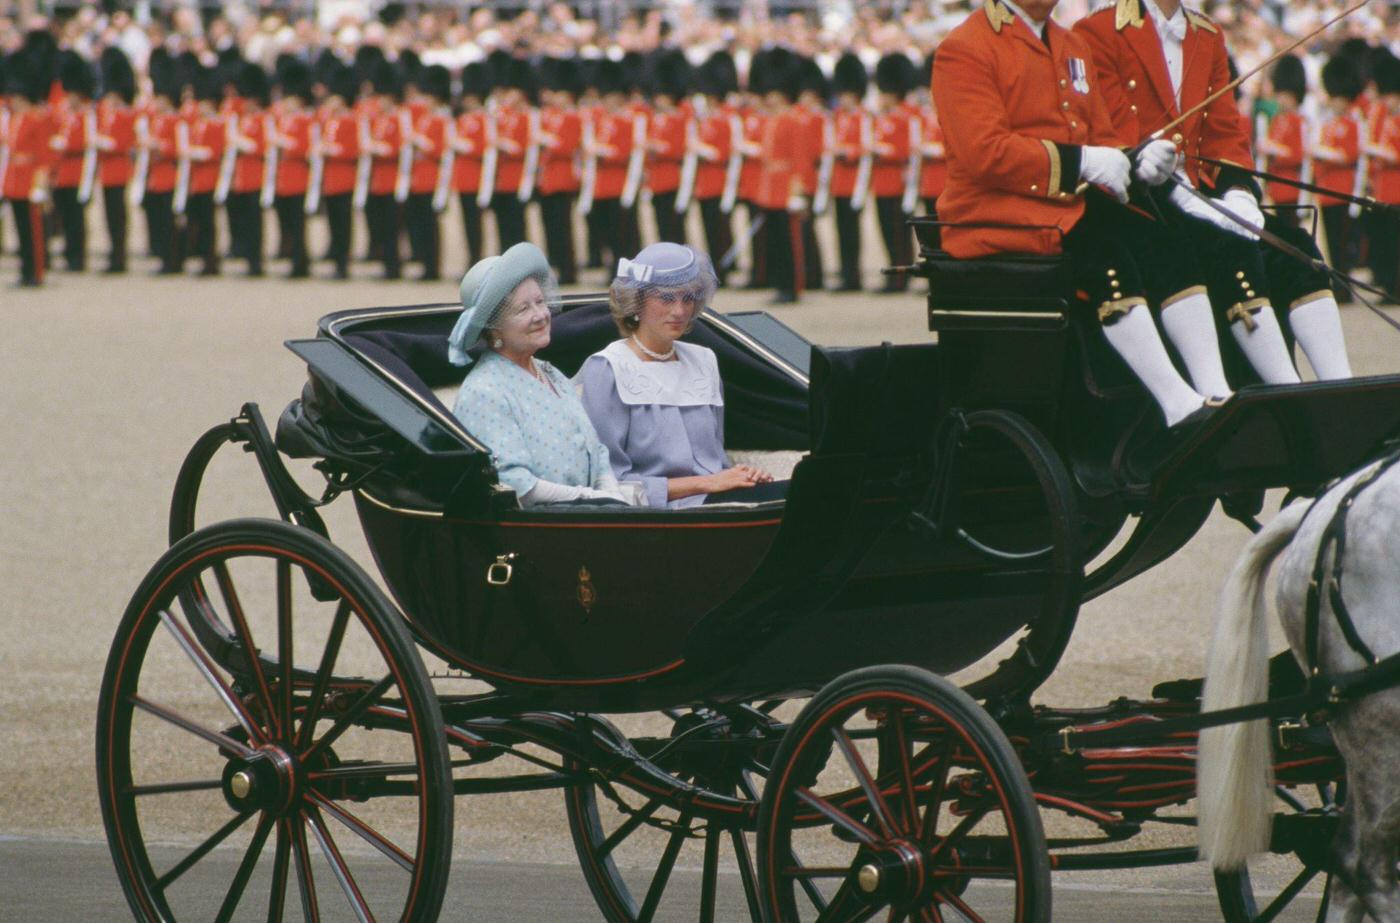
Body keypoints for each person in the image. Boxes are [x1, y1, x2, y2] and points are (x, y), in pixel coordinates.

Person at [933, 0, 1219, 429]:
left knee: (1165, 237)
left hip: (1068, 202)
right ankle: (1177, 402)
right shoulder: (965, 48)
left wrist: (1136, 157)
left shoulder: (1070, 44)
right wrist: (1081, 163)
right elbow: (984, 153)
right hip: (997, 212)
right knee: (1107, 256)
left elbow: (1100, 136)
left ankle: (1215, 391)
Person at [1074, 0, 1352, 382]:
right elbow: (1110, 130)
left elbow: (1224, 134)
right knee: (1230, 251)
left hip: (1206, 196)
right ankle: (1281, 388)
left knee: (1297, 248)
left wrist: (1239, 191)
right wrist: (1157, 173)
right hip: (1143, 199)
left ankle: (1338, 387)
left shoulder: (1208, 36)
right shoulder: (1098, 32)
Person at [577, 242, 780, 508]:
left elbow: (716, 459)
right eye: (666, 298)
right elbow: (608, 482)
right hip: (663, 516)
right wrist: (708, 483)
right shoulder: (608, 369)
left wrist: (742, 476)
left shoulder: (703, 360)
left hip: (719, 502)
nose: (680, 311)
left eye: (688, 298)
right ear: (636, 301)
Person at [449, 242, 626, 508]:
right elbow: (518, 485)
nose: (541, 315)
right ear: (494, 328)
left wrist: (613, 498)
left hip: (590, 518)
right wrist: (589, 498)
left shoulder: (549, 372)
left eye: (540, 302)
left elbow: (597, 452)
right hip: (541, 529)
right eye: (523, 309)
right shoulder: (484, 390)